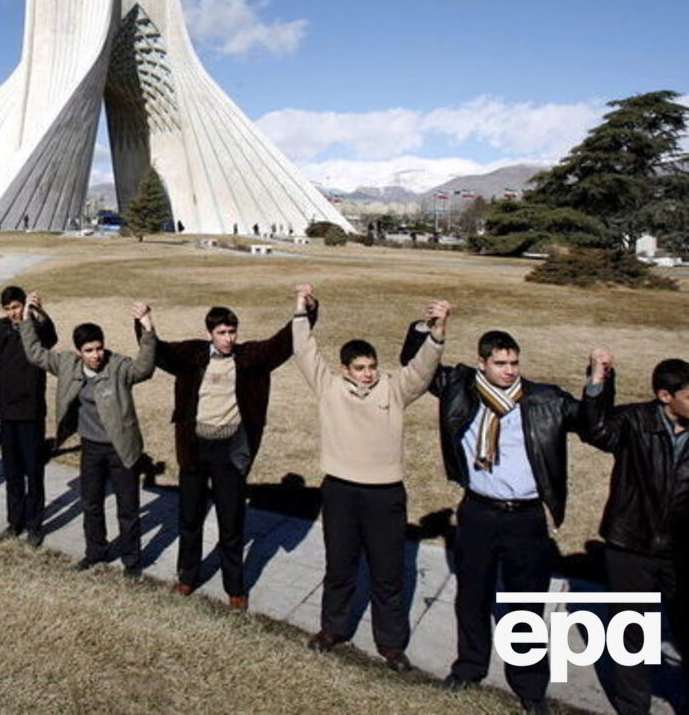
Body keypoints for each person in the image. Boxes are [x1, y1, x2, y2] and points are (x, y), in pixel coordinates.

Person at [403, 322, 600, 713]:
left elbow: (591, 423)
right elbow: (415, 365)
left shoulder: (544, 399)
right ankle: (469, 667)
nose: (509, 370)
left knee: (526, 605)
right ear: (482, 363)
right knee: (472, 597)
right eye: (500, 363)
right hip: (477, 513)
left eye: (514, 362)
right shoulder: (461, 387)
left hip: (525, 519)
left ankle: (529, 687)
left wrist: (595, 382)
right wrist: (427, 328)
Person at [291, 284, 448, 671]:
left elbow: (422, 371)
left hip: (385, 495)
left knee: (388, 572)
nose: (367, 374)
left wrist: (438, 333)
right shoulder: (329, 387)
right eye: (360, 368)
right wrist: (300, 310)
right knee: (340, 566)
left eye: (372, 367)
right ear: (345, 369)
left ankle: (391, 644)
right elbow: (304, 350)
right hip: (341, 492)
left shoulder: (393, 390)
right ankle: (333, 629)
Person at [141, 292, 319, 612]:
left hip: (230, 453)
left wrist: (304, 310)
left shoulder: (248, 357)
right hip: (194, 451)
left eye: (232, 332)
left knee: (231, 522)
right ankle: (187, 576)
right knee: (189, 518)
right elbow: (160, 352)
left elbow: (283, 343)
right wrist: (144, 323)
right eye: (221, 333)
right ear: (210, 333)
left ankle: (235, 587)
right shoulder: (193, 355)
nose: (228, 338)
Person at [581, 355, 688, 715]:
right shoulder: (633, 421)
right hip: (631, 545)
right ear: (665, 396)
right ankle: (632, 706)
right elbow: (594, 430)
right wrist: (598, 380)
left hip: (680, 550)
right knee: (632, 633)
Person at [20, 296, 157, 578]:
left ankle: (132, 562)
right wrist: (26, 317)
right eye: (89, 350)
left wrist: (147, 328)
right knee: (91, 504)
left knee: (127, 508)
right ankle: (96, 552)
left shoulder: (117, 366)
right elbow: (35, 353)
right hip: (91, 448)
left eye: (99, 348)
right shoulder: (67, 364)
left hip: (122, 448)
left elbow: (144, 368)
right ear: (79, 351)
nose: (96, 355)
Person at [0, 273, 57, 545]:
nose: (13, 313)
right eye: (8, 309)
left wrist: (38, 312)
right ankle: (14, 523)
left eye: (16, 307)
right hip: (6, 413)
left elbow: (51, 337)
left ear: (23, 305)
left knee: (33, 472)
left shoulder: (35, 329)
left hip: (30, 413)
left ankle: (35, 526)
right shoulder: (1, 328)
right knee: (12, 472)